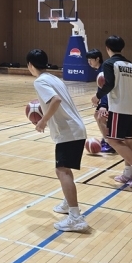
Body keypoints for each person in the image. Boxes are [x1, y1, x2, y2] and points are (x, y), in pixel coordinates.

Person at [27, 49, 90, 232]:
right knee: (65, 169)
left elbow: (55, 101)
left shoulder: (40, 81)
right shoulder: (54, 78)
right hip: (75, 128)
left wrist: (42, 121)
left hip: (68, 131)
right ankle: (68, 203)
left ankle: (75, 217)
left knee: (62, 171)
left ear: (30, 65)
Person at [91, 35, 132, 187]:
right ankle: (127, 173)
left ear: (107, 48)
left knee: (112, 140)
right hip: (131, 106)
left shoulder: (109, 64)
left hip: (118, 107)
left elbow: (109, 84)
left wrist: (97, 96)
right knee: (128, 141)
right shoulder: (131, 65)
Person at [86, 49, 114, 153]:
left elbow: (106, 88)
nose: (89, 62)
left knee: (101, 117)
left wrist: (103, 105)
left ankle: (109, 143)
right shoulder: (100, 69)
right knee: (97, 116)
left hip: (110, 100)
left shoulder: (103, 70)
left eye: (91, 60)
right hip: (107, 99)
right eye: (88, 60)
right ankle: (106, 138)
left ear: (97, 59)